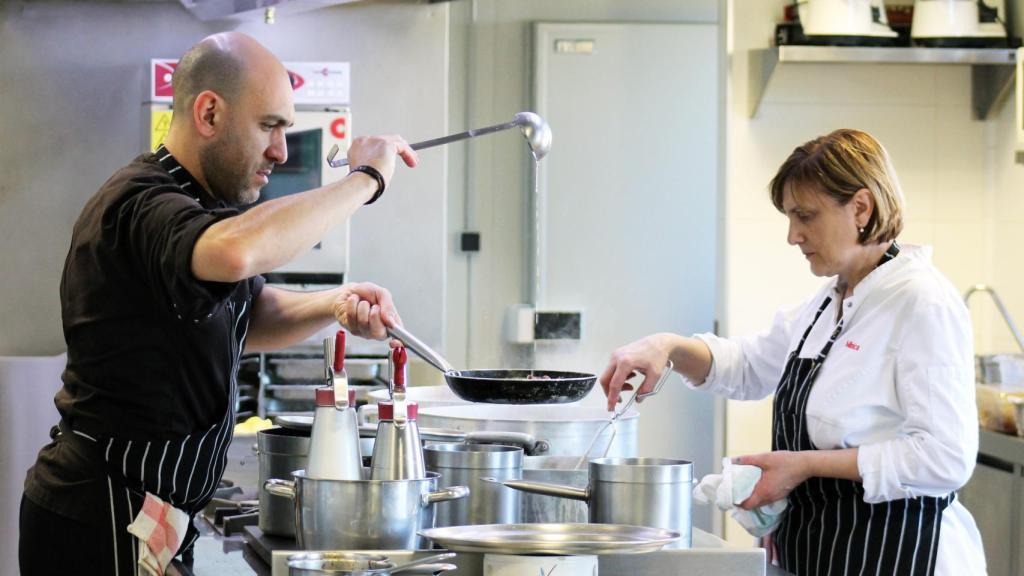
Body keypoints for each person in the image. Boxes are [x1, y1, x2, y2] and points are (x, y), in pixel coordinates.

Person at [19, 31, 417, 575]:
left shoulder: (202, 209)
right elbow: (236, 255)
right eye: (269, 126)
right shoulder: (145, 202)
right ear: (208, 113)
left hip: (152, 517)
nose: (280, 150)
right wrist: (364, 180)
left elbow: (248, 314)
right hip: (103, 514)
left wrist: (337, 304)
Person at [600, 129, 985, 575]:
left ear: (861, 207)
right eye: (789, 217)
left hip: (899, 553)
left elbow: (944, 457)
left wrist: (801, 465)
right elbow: (748, 365)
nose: (793, 236)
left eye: (805, 216)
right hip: (823, 552)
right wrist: (665, 347)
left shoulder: (921, 302)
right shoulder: (830, 301)